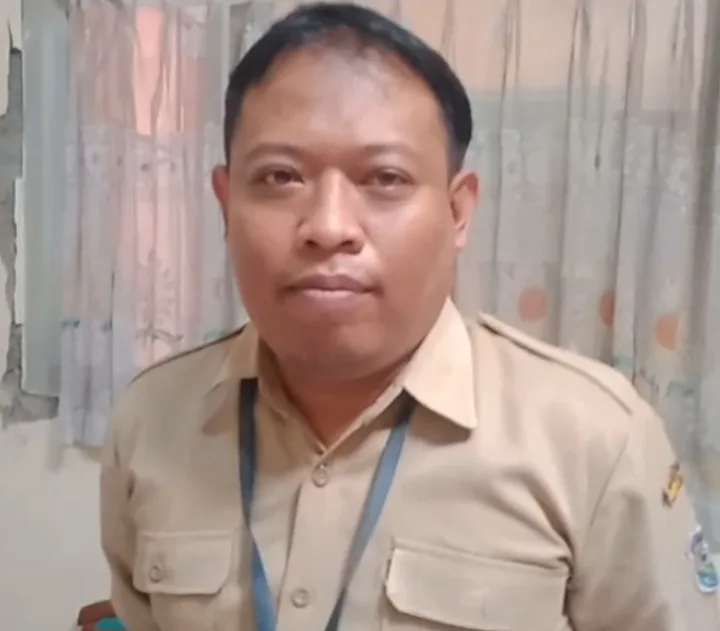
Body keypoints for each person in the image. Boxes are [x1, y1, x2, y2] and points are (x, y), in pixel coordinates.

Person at [100, 3, 720, 631]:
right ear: (226, 203)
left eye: (385, 178)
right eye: (281, 177)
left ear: (458, 213)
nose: (329, 228)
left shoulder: (592, 438)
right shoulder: (152, 421)